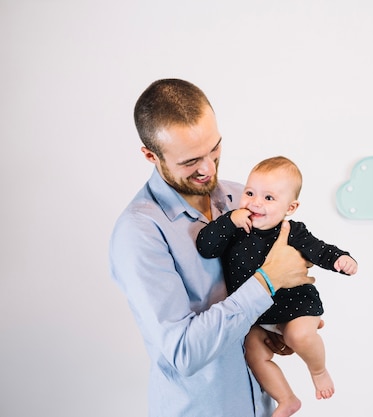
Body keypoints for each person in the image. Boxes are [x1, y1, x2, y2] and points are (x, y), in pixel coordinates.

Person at [109, 78, 317, 417]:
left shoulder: (242, 197)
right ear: (151, 155)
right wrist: (267, 282)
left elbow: (276, 279)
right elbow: (183, 353)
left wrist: (281, 324)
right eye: (191, 161)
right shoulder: (138, 233)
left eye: (214, 149)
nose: (208, 168)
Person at [196, 155, 358, 417]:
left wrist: (340, 259)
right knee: (253, 352)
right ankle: (286, 399)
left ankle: (318, 370)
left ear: (291, 207)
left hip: (298, 307)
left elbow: (319, 250)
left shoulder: (292, 231)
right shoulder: (237, 229)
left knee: (298, 336)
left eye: (269, 198)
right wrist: (229, 221)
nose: (256, 202)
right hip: (260, 316)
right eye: (250, 193)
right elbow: (205, 246)